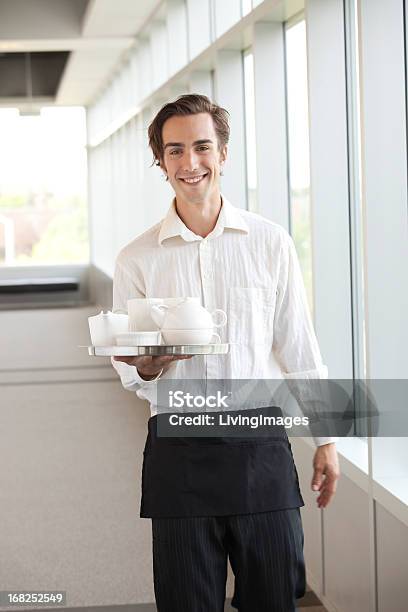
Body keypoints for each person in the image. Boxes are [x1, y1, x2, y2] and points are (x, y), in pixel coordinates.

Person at [111, 94, 340, 612]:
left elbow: (299, 346)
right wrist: (148, 366)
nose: (189, 163)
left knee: (275, 597)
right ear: (161, 161)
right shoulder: (137, 259)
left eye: (201, 147)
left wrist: (326, 439)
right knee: (186, 601)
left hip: (260, 446)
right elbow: (131, 370)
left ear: (223, 153)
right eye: (174, 151)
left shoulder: (270, 242)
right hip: (180, 448)